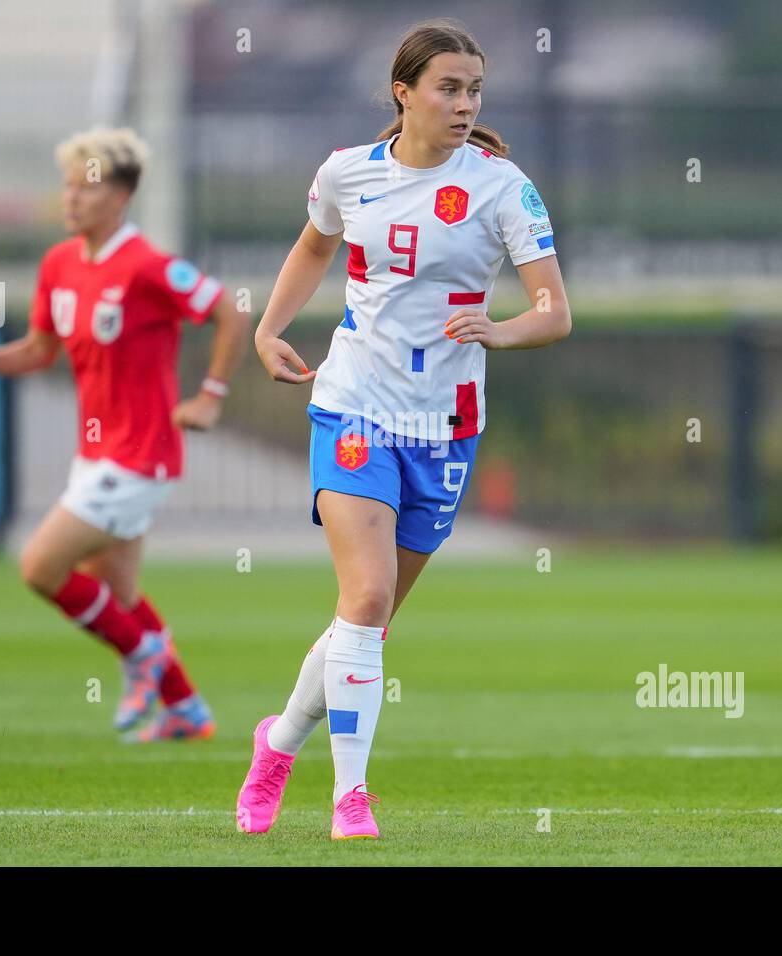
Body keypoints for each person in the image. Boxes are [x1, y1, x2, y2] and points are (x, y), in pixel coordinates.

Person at [236, 20, 571, 839]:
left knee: (366, 620)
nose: (464, 104)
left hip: (446, 427)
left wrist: (502, 330)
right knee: (369, 593)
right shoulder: (347, 174)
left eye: (475, 90)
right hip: (354, 405)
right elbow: (313, 248)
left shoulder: (503, 187)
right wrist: (268, 328)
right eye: (449, 88)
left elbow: (554, 312)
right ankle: (351, 797)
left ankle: (277, 744)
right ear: (404, 92)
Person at [0, 127, 249, 742]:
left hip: (141, 456)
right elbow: (37, 350)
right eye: (66, 185)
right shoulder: (59, 264)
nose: (71, 199)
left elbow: (231, 311)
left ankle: (141, 657)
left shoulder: (147, 267)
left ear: (121, 196)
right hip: (96, 455)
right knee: (121, 592)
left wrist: (211, 397)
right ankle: (187, 710)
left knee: (39, 567)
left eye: (85, 186)